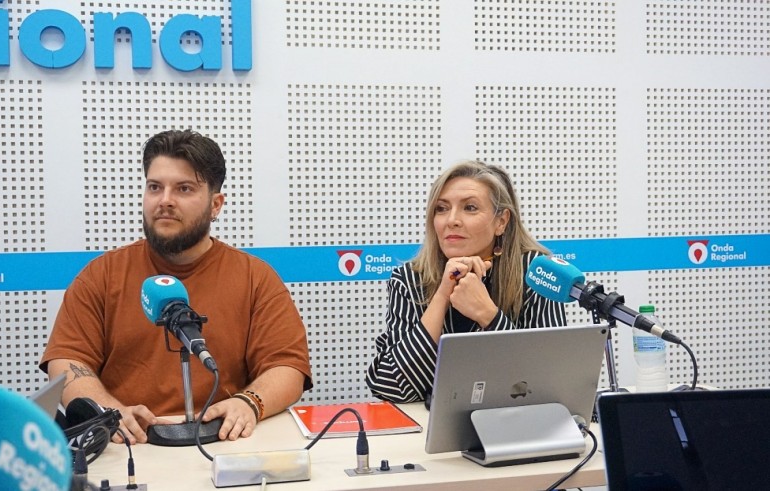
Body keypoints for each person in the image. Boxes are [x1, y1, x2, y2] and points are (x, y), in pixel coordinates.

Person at [40, 129, 312, 444]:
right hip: (129, 446)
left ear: (216, 204)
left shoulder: (255, 277)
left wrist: (249, 402)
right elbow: (68, 360)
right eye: (155, 187)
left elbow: (288, 366)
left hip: (225, 444)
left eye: (184, 189)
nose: (165, 201)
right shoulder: (100, 275)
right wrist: (109, 411)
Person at [365, 161, 566, 403]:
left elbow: (551, 382)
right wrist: (441, 297)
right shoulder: (409, 279)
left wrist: (489, 316)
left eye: (469, 208)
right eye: (441, 209)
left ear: (501, 221)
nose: (452, 220)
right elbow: (392, 388)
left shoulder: (536, 272)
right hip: (432, 432)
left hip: (517, 425)